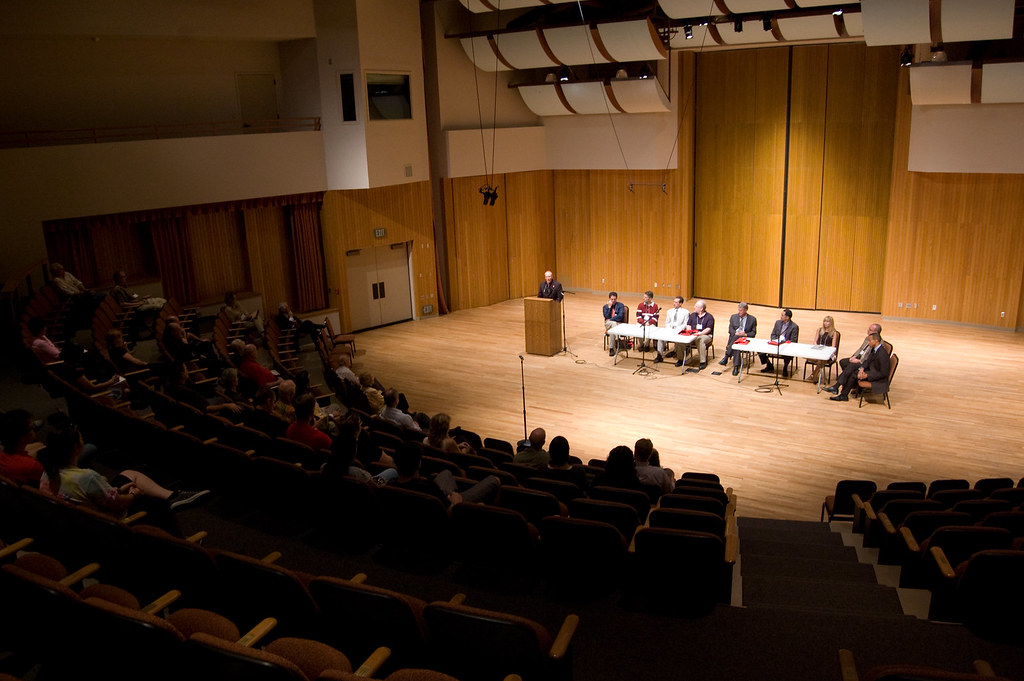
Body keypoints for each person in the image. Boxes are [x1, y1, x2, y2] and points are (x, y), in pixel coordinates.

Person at [37, 423, 207, 515]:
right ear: (75, 448)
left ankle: (173, 496)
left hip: (82, 517)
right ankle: (180, 541)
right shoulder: (87, 477)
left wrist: (117, 489)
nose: (83, 441)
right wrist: (133, 495)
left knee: (128, 474)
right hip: (107, 521)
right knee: (154, 504)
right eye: (81, 438)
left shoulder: (48, 472)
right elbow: (117, 505)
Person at [392, 441, 499, 507]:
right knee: (494, 480)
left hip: (441, 499)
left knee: (446, 473)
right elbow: (446, 515)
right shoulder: (427, 489)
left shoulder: (390, 485)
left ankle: (450, 494)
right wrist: (455, 502)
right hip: (451, 508)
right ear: (419, 464)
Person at [829, 332, 890, 402]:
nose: (868, 343)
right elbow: (867, 360)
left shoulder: (882, 355)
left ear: (876, 341)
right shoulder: (875, 349)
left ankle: (842, 392)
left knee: (853, 374)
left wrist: (867, 375)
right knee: (853, 370)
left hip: (877, 378)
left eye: (870, 341)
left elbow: (883, 373)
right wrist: (862, 368)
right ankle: (842, 393)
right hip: (870, 371)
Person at [825, 323, 883, 394]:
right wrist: (854, 356)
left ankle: (837, 386)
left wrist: (859, 361)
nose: (868, 330)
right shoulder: (867, 338)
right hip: (860, 358)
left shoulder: (879, 344)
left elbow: (871, 359)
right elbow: (861, 349)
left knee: (851, 366)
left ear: (876, 332)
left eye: (870, 330)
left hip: (866, 364)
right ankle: (851, 384)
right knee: (843, 362)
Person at [0, 409, 44, 486]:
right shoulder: (33, 466)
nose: (35, 429)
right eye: (32, 427)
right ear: (21, 437)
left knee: (39, 445)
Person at [719, 302, 758, 376]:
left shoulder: (752, 319)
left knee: (736, 342)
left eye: (741, 311)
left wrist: (745, 334)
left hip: (745, 339)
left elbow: (753, 333)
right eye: (738, 310)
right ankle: (736, 367)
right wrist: (735, 333)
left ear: (746, 310)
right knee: (736, 345)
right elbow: (730, 330)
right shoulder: (733, 317)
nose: (739, 312)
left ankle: (727, 357)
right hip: (735, 338)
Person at [759, 308, 799, 376]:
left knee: (788, 353)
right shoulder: (778, 323)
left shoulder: (794, 327)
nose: (781, 316)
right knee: (760, 351)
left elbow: (793, 340)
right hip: (775, 343)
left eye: (782, 315)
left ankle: (785, 368)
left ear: (787, 317)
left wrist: (784, 343)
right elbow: (773, 334)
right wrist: (775, 341)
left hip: (786, 346)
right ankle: (769, 365)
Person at [807, 315, 840, 384]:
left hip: (828, 353)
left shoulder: (834, 333)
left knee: (821, 360)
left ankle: (814, 375)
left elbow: (833, 346)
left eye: (827, 322)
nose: (825, 323)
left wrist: (826, 350)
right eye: (824, 321)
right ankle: (814, 374)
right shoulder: (819, 330)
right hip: (819, 350)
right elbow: (815, 342)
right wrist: (817, 347)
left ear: (831, 323)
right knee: (811, 357)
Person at [683, 299, 715, 370]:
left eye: (696, 306)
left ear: (701, 309)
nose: (694, 307)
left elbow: (708, 329)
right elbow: (688, 325)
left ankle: (702, 361)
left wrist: (699, 334)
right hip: (692, 334)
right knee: (681, 338)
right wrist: (690, 332)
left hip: (705, 335)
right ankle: (680, 359)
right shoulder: (693, 315)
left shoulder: (709, 317)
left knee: (700, 340)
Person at [656, 296, 687, 364]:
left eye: (676, 302)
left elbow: (685, 324)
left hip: (679, 331)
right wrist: (669, 329)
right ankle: (659, 355)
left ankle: (679, 356)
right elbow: (667, 322)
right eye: (674, 302)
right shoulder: (669, 311)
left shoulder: (685, 312)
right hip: (670, 330)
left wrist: (677, 330)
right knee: (660, 338)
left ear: (680, 303)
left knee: (679, 341)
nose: (674, 303)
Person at [603, 292, 626, 356]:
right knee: (613, 324)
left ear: (616, 299)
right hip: (608, 324)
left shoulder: (620, 305)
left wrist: (611, 319)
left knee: (612, 330)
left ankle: (611, 348)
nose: (613, 301)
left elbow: (620, 316)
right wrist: (609, 307)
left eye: (614, 299)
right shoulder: (605, 307)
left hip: (618, 323)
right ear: (609, 299)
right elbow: (606, 316)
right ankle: (617, 337)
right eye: (612, 299)